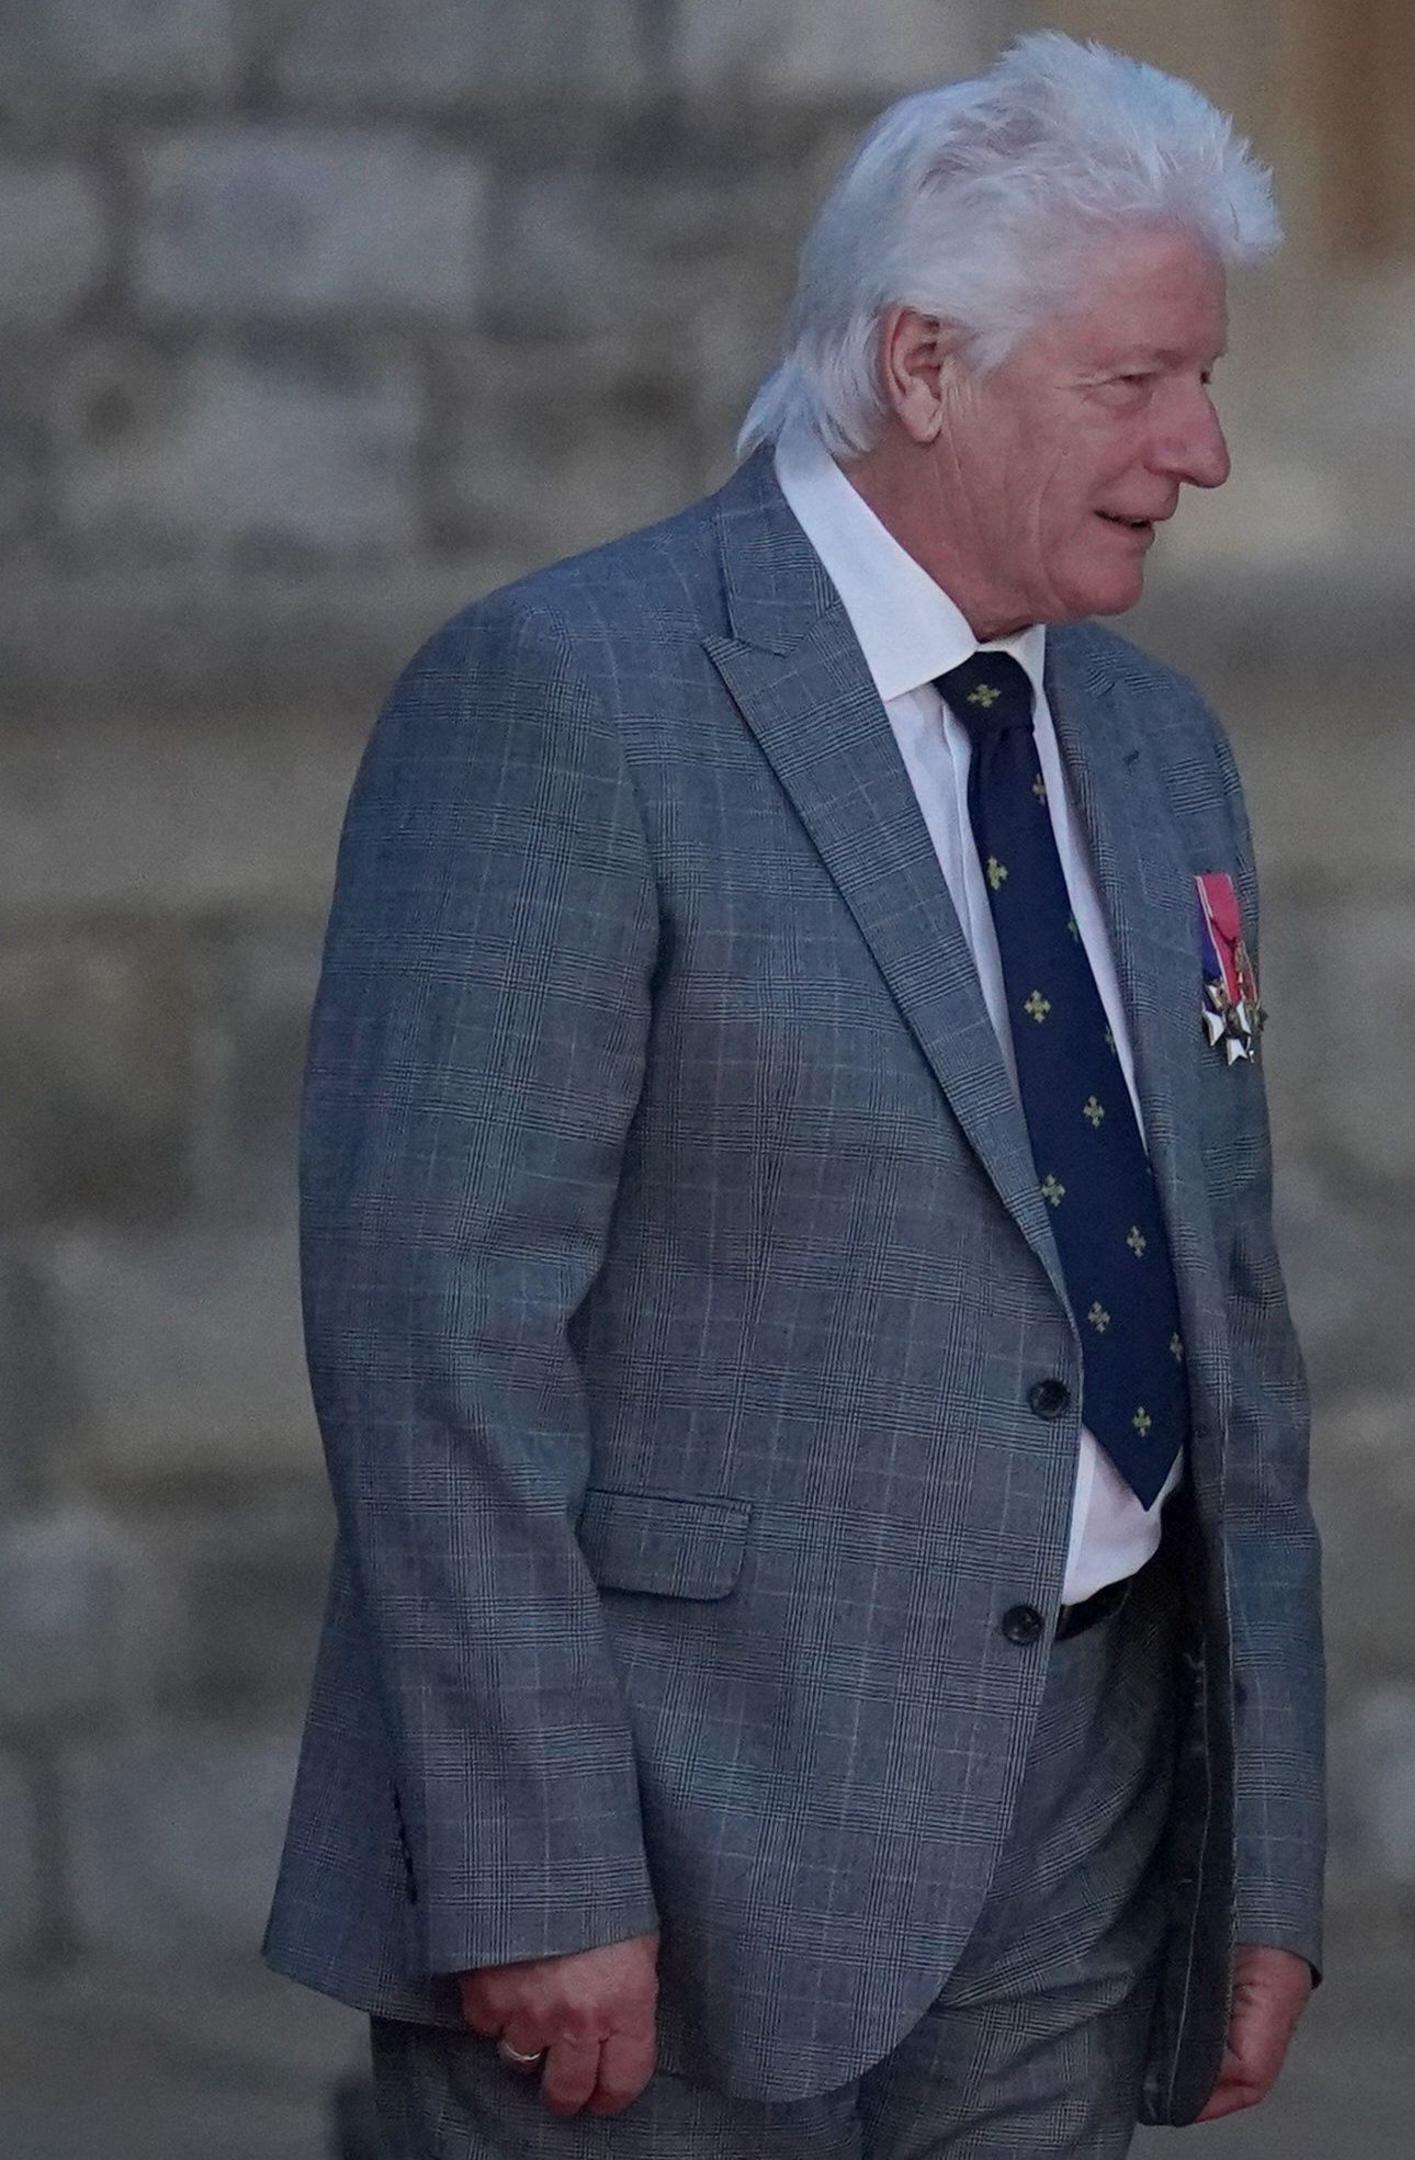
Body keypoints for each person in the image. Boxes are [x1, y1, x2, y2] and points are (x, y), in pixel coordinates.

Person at [263, 37, 1324, 2155]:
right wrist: (529, 1866)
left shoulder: (1155, 742)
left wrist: (1263, 1849)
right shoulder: (570, 698)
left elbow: (1228, 1316)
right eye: (1139, 383)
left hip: (1086, 1805)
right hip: (672, 1836)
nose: (1200, 447)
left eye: (1203, 380)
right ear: (923, 363)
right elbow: (436, 1330)